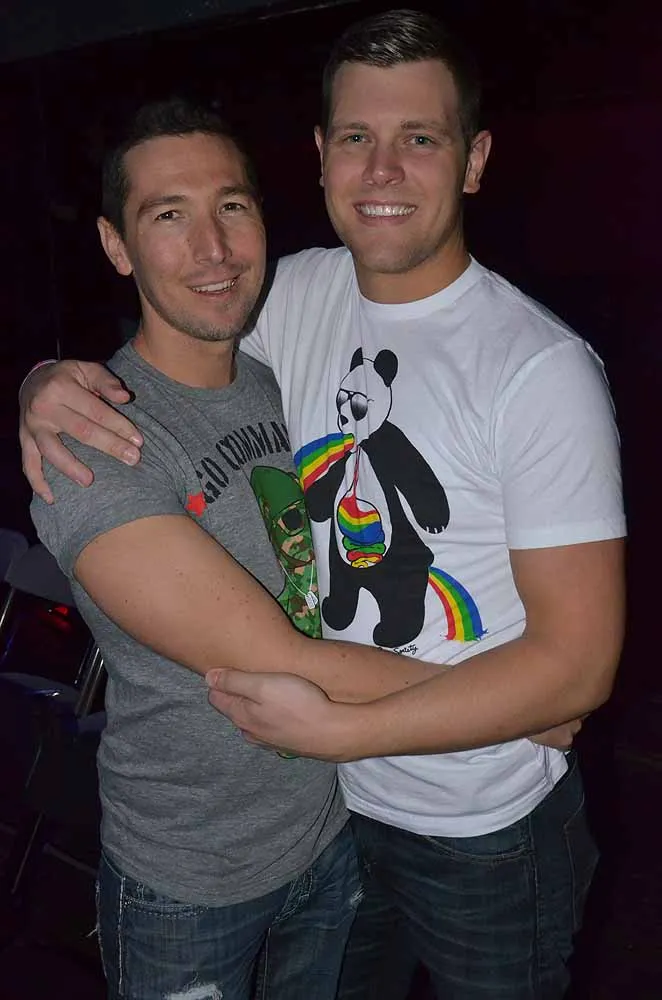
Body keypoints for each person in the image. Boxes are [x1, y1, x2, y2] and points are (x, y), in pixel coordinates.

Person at [20, 10, 625, 1000]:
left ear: (473, 159)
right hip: (319, 830)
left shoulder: (539, 368)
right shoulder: (290, 300)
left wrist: (498, 704)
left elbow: (580, 662)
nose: (382, 169)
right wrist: (41, 381)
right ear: (320, 155)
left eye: (418, 137)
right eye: (356, 137)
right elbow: (184, 328)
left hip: (476, 829)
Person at [26, 96, 476, 1000]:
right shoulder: (93, 444)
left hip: (334, 836)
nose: (214, 249)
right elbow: (282, 659)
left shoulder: (288, 378)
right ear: (117, 246)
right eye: (169, 216)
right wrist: (517, 701)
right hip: (189, 885)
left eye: (231, 206)